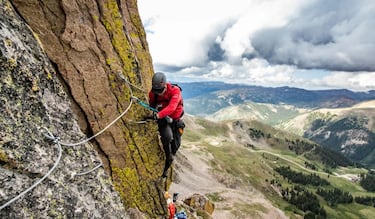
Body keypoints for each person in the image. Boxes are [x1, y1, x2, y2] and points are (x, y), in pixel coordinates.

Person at [148, 72, 185, 178]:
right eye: (156, 91)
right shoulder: (153, 93)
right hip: (164, 120)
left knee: (175, 146)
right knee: (167, 137)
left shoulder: (175, 91)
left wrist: (158, 115)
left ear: (165, 85)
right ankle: (167, 159)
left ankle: (169, 159)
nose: (159, 94)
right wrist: (156, 115)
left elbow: (172, 107)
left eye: (160, 91)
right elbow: (151, 105)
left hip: (175, 121)